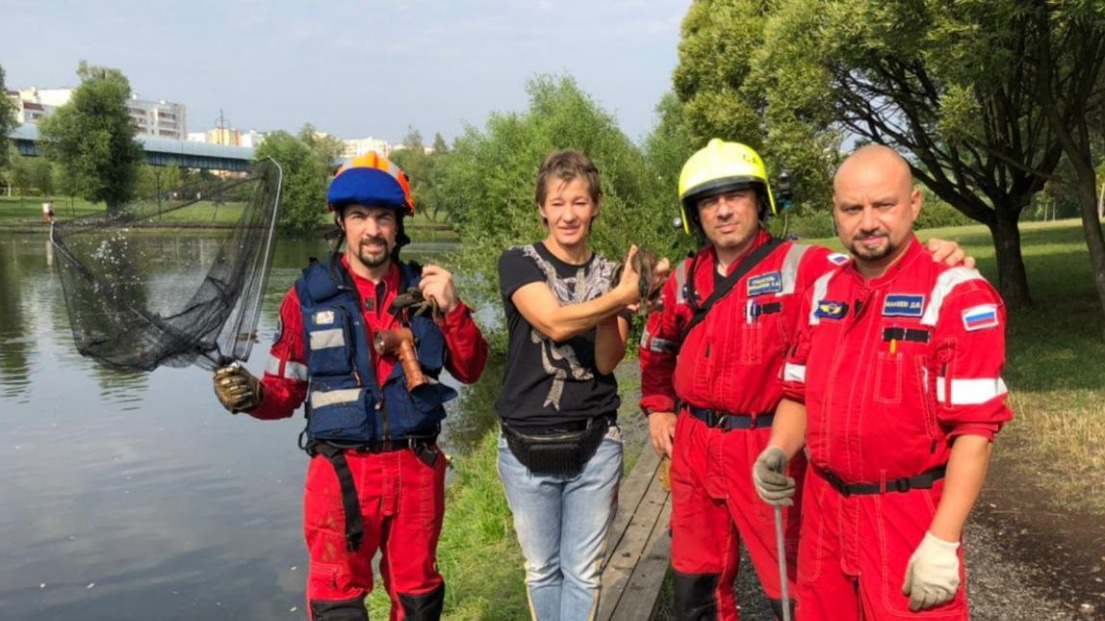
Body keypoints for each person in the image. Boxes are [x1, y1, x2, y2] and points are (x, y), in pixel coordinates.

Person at [639, 139, 971, 621]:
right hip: (693, 442)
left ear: (761, 201)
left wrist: (941, 259)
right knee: (696, 577)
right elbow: (657, 348)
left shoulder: (806, 267)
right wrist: (659, 406)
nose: (724, 211)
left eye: (736, 196)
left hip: (766, 438)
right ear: (695, 214)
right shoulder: (685, 279)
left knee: (794, 580)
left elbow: (877, 275)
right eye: (710, 201)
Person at [212, 153, 489, 621]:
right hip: (340, 474)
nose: (372, 229)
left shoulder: (429, 291)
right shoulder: (306, 297)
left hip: (416, 468)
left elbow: (472, 368)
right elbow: (286, 393)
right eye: (359, 216)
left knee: (419, 600)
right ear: (341, 221)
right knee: (337, 601)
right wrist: (253, 396)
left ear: (399, 225)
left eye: (383, 216)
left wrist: (454, 308)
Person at [753, 144, 1012, 620]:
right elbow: (797, 394)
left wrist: (943, 539)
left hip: (907, 517)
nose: (867, 222)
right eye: (852, 209)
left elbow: (976, 432)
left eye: (883, 205)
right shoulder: (824, 291)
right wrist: (777, 450)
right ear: (835, 212)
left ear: (914, 204)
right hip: (825, 513)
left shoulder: (955, 291)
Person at [496, 148, 668, 621]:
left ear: (596, 205)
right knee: (541, 568)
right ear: (541, 208)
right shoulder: (519, 262)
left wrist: (629, 300)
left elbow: (608, 360)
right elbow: (552, 323)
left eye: (578, 202)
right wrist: (619, 296)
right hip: (524, 441)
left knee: (584, 570)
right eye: (557, 203)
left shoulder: (614, 274)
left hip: (595, 441)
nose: (568, 215)